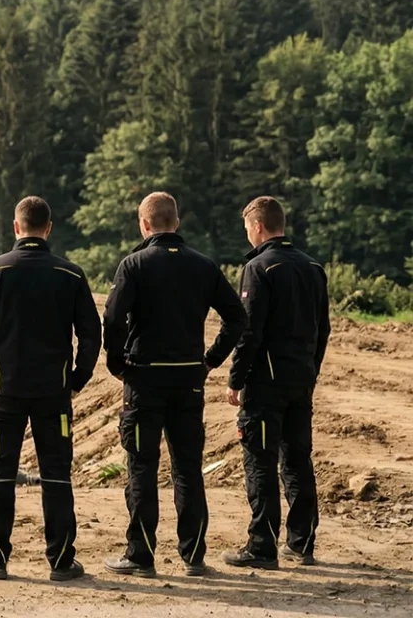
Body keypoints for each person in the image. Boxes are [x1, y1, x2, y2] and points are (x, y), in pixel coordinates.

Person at [101, 192, 247, 578]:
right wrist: (210, 360)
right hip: (187, 379)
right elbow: (237, 317)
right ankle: (194, 555)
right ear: (176, 223)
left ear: (144, 225)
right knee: (187, 469)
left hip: (144, 378)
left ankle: (141, 555)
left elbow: (113, 320)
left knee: (142, 468)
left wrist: (117, 364)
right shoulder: (204, 265)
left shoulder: (133, 265)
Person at [0, 196, 100, 582]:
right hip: (53, 394)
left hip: (4, 392)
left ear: (16, 228)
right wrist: (78, 378)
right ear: (48, 228)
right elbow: (91, 333)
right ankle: (60, 561)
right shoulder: (70, 275)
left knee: (0, 476)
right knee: (57, 476)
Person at [223, 196, 329, 570]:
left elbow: (249, 331)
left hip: (267, 383)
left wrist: (236, 378)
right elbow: (323, 329)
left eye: (247, 228)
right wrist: (311, 369)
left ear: (257, 226)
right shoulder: (314, 267)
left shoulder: (259, 268)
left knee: (261, 462)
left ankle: (261, 545)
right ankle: (302, 542)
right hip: (301, 379)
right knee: (298, 460)